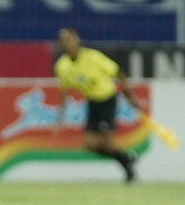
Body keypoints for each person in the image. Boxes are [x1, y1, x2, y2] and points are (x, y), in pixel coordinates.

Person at [54, 28, 140, 183]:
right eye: (64, 41)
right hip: (92, 102)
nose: (68, 44)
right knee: (90, 144)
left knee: (107, 143)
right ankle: (126, 158)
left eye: (70, 40)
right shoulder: (62, 66)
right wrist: (61, 116)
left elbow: (118, 72)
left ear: (77, 41)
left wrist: (130, 95)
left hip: (107, 99)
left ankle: (129, 171)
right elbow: (64, 91)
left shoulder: (93, 57)